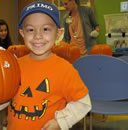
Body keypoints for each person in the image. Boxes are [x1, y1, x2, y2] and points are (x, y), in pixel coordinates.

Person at [7, 1, 91, 130]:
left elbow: (83, 102)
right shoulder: (15, 66)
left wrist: (61, 122)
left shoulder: (65, 69)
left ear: (58, 33)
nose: (38, 36)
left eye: (45, 29)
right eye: (30, 30)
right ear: (22, 33)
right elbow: (3, 95)